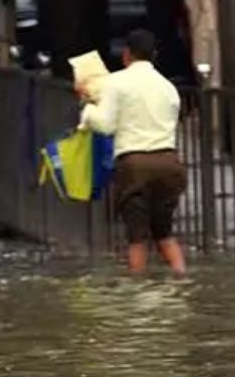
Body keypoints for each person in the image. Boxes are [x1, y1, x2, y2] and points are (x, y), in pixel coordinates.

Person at [79, 29, 187, 276]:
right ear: (154, 55)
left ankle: (137, 291)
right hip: (170, 164)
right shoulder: (168, 87)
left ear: (126, 54)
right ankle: (182, 282)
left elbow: (104, 124)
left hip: (135, 164)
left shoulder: (115, 82)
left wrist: (87, 110)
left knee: (136, 237)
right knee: (164, 233)